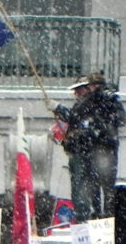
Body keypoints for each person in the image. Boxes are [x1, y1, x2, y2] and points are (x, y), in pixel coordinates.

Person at [53, 70, 126, 222]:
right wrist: (59, 109)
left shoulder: (109, 100)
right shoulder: (87, 102)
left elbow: (120, 119)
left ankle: (107, 217)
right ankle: (98, 216)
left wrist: (101, 124)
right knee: (94, 187)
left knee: (106, 187)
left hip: (106, 150)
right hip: (93, 150)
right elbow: (74, 118)